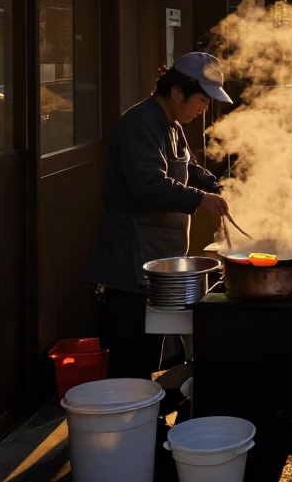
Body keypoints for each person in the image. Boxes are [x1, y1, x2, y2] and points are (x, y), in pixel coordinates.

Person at [86, 52, 232, 379]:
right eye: (201, 99)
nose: (204, 108)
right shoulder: (139, 124)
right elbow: (148, 186)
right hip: (130, 263)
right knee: (131, 364)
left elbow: (188, 167)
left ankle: (146, 420)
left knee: (149, 357)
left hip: (157, 260)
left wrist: (216, 186)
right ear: (177, 91)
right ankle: (130, 425)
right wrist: (200, 199)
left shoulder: (172, 125)